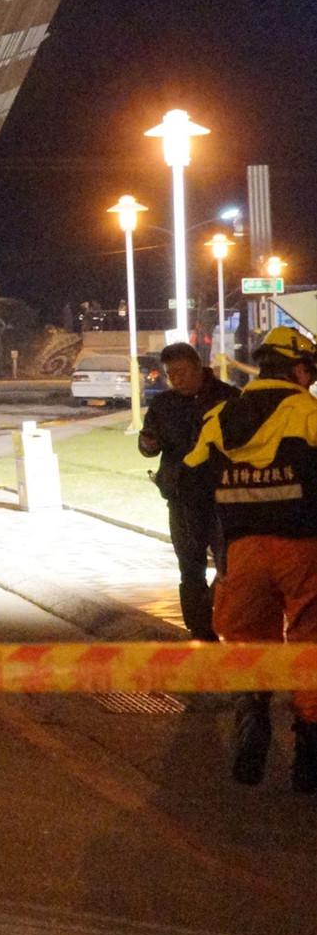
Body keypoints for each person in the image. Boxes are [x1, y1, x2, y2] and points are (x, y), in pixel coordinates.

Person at [183, 324, 317, 789]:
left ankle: (251, 718)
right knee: (309, 648)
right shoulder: (307, 411)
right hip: (303, 551)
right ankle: (308, 760)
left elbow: (190, 479)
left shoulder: (223, 415)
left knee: (248, 643)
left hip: (241, 551)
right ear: (299, 369)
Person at [137, 340, 231, 639]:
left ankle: (225, 620)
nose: (176, 379)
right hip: (181, 497)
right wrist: (148, 445)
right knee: (190, 567)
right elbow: (148, 445)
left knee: (230, 564)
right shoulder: (163, 404)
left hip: (223, 496)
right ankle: (200, 630)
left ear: (198, 367)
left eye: (181, 372)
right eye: (170, 374)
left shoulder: (229, 398)